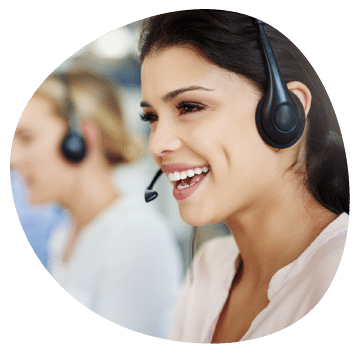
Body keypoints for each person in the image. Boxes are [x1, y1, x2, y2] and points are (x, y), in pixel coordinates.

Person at [138, 10, 349, 343]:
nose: (158, 144)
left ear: (286, 112)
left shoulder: (335, 274)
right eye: (151, 116)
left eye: (189, 106)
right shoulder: (209, 267)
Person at [10, 70, 182, 339]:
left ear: (80, 141)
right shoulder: (65, 234)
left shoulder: (134, 238)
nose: (13, 159)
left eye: (27, 138)